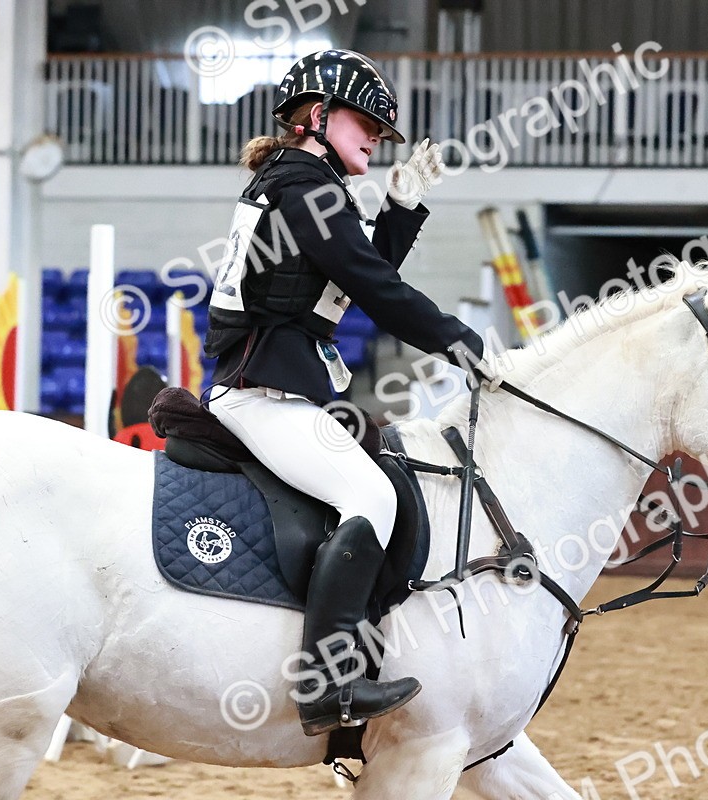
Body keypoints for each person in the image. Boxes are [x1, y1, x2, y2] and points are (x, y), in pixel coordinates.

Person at [203, 49, 490, 736]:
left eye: (380, 130)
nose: (374, 137)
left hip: (284, 384)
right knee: (372, 496)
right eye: (364, 122)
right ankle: (328, 686)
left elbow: (346, 279)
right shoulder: (303, 189)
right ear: (317, 114)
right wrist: (461, 343)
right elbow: (371, 286)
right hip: (262, 389)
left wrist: (399, 210)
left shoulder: (304, 185)